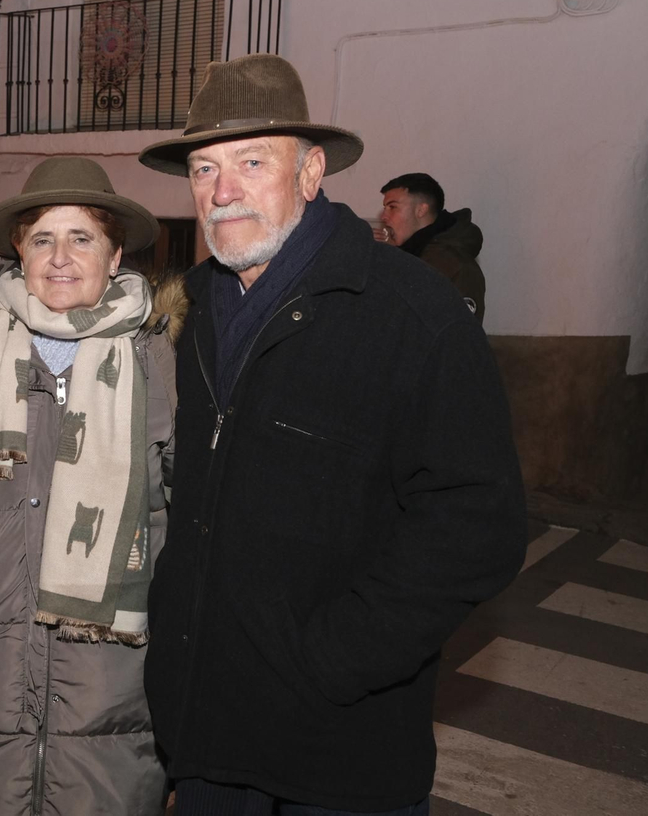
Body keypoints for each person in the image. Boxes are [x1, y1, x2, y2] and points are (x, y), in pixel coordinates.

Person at [135, 54, 525, 815]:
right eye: (204, 168)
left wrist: (333, 659)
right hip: (210, 742)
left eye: (252, 162)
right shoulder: (188, 316)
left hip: (341, 755)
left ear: (311, 173)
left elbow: (479, 524)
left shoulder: (414, 318)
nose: (222, 191)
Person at [0, 157, 182, 816]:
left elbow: (191, 509)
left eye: (81, 237)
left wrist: (177, 609)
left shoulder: (160, 365)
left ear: (115, 257)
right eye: (42, 238)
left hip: (110, 673)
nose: (60, 257)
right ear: (19, 254)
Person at [379, 172, 487, 321]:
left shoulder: (458, 267)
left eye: (392, 207)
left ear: (421, 210)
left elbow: (461, 338)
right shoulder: (405, 255)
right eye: (384, 208)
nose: (384, 217)